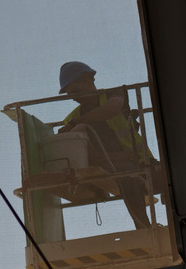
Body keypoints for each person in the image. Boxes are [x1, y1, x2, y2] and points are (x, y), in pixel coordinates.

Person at [57, 61, 153, 229]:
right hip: (112, 164)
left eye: (75, 91)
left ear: (89, 81)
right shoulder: (73, 119)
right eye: (69, 94)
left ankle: (144, 227)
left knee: (129, 173)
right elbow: (84, 154)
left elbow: (113, 108)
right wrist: (119, 157)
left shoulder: (112, 95)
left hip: (140, 160)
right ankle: (144, 227)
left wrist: (75, 123)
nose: (73, 97)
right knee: (125, 172)